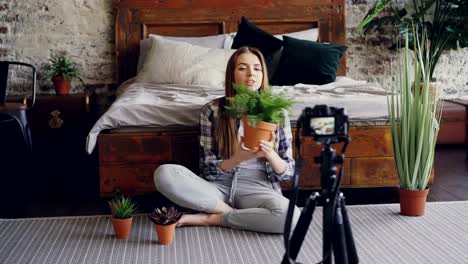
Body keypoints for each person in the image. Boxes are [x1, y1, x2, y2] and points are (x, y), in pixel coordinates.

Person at [154, 47, 300, 233]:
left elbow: (288, 174)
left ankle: (212, 218)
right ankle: (236, 213)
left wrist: (271, 155)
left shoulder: (277, 113)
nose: (250, 74)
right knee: (164, 173)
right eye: (242, 68)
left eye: (257, 68)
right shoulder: (212, 111)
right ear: (232, 74)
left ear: (263, 74)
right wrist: (236, 159)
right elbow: (206, 168)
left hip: (259, 187)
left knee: (291, 218)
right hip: (217, 187)